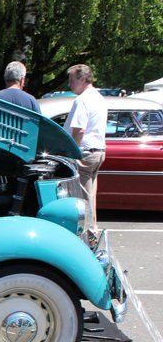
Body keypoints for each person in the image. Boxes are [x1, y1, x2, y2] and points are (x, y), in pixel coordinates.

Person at [63, 63, 107, 242]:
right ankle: (93, 231)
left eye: (72, 80)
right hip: (98, 151)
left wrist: (72, 152)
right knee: (90, 195)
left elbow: (79, 130)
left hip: (85, 152)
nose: (70, 85)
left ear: (82, 79)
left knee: (82, 198)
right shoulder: (99, 98)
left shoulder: (82, 100)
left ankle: (89, 236)